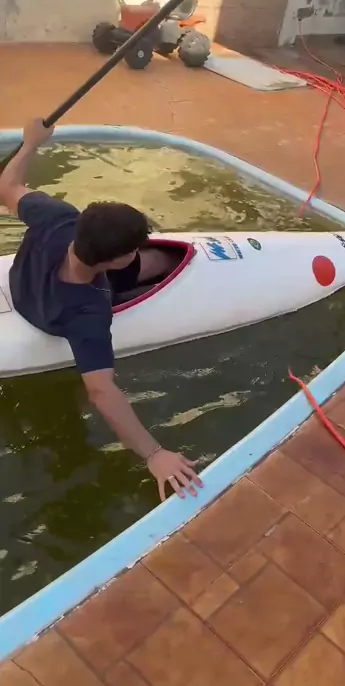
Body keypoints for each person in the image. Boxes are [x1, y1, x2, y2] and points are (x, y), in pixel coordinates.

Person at [0, 118, 203, 501]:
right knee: (156, 262)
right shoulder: (89, 312)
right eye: (130, 251)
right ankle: (156, 266)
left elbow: (7, 187)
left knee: (144, 262)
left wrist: (30, 144)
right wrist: (154, 454)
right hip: (49, 312)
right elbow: (100, 391)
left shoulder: (58, 218)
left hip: (22, 287)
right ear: (113, 261)